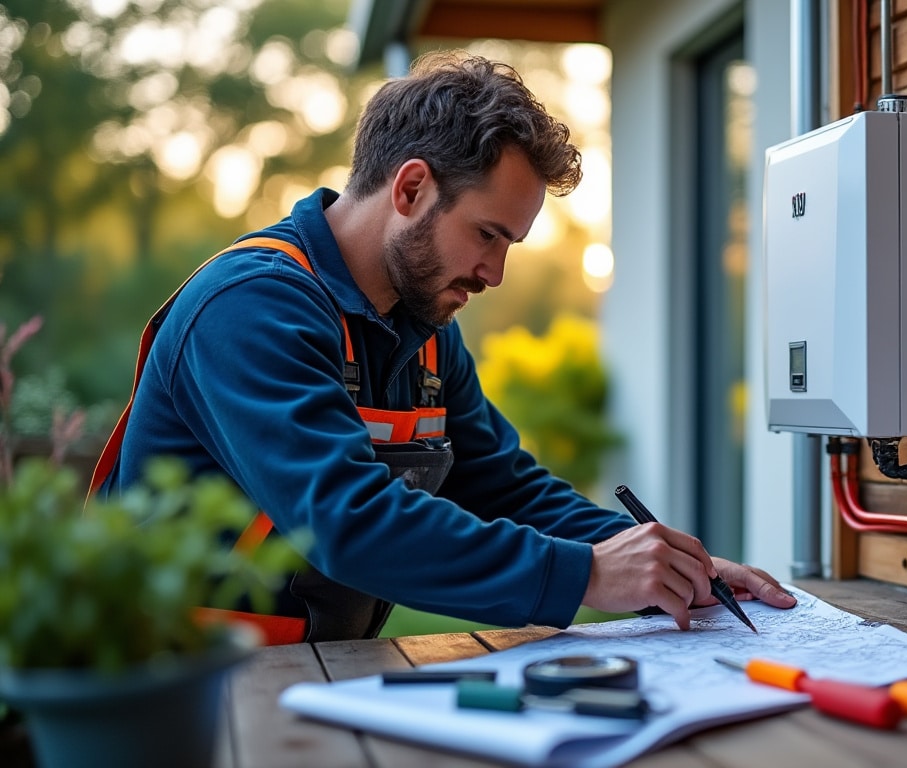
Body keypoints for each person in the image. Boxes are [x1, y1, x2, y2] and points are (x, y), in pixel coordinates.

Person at [90, 50, 796, 644]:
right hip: (164, 692)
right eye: (487, 234)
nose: (494, 273)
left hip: (302, 678)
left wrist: (665, 566)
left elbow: (504, 488)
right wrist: (587, 576)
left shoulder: (424, 334)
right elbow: (350, 520)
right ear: (411, 188)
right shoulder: (249, 307)